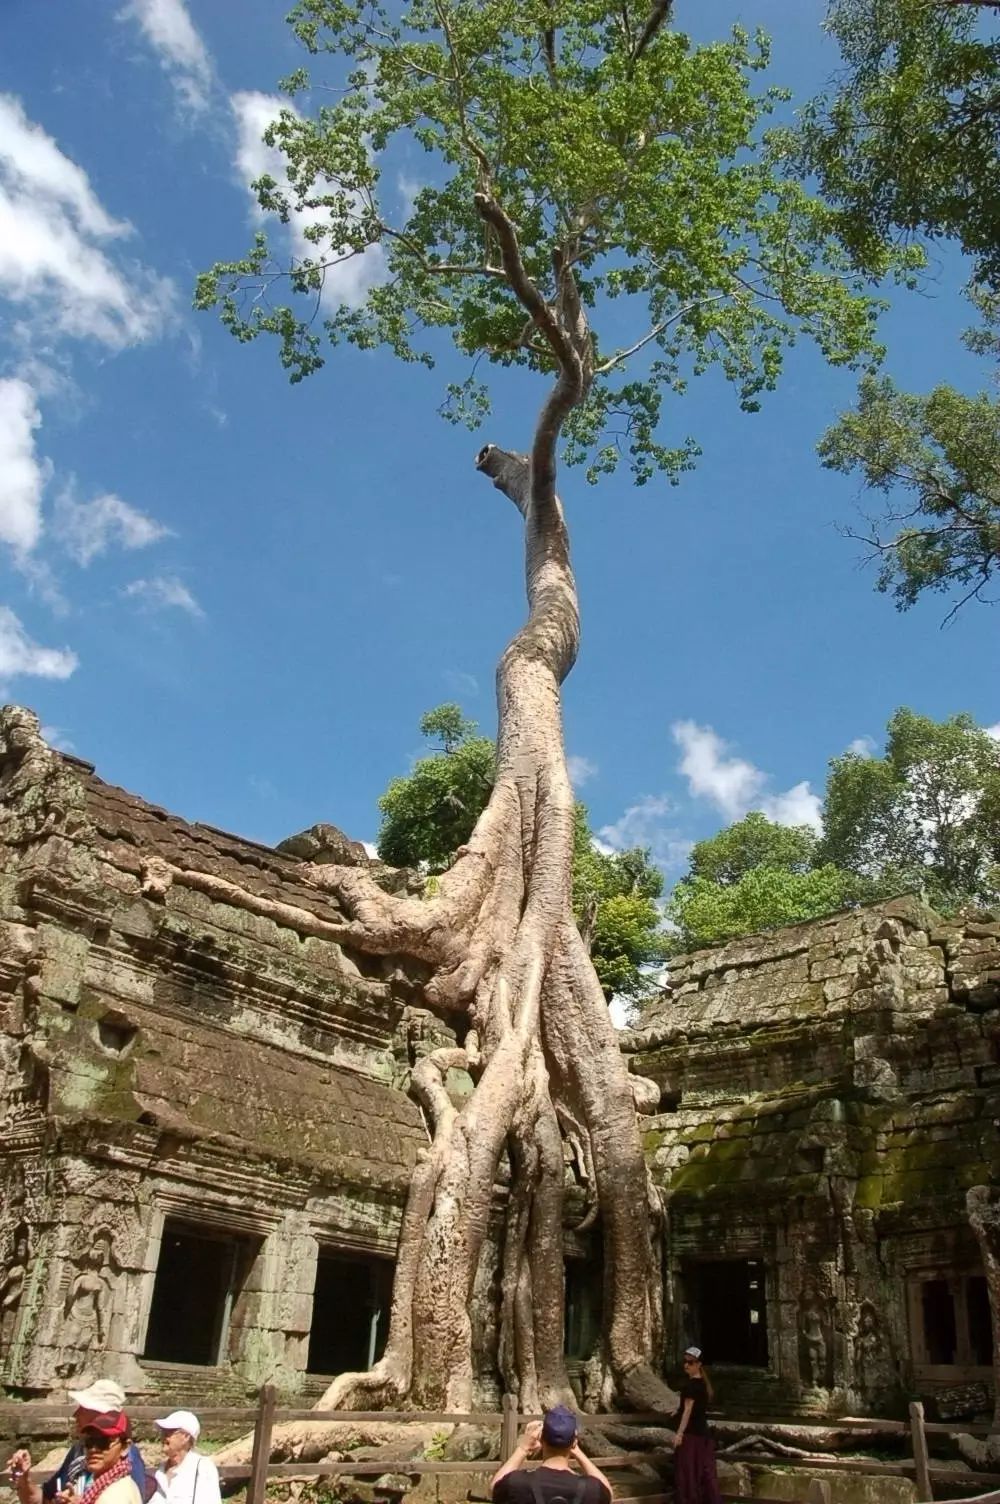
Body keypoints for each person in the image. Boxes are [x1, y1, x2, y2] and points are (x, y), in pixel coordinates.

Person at [6, 1380, 148, 1504]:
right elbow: (44, 1500)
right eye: (89, 1442)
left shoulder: (128, 1463)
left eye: (84, 1408)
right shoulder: (79, 1451)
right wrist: (23, 1479)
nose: (76, 1413)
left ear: (103, 1415)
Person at [492, 1405, 613, 1504]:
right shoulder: (591, 1490)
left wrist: (523, 1449)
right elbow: (608, 1494)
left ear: (541, 1438)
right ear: (574, 1442)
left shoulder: (518, 1483)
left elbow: (494, 1489)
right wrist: (576, 1450)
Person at [672, 1346, 721, 1504]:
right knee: (705, 1475)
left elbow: (688, 1411)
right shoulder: (703, 1385)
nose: (686, 1365)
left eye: (691, 1362)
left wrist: (679, 1434)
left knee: (689, 1477)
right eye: (685, 1362)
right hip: (703, 1436)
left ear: (699, 1364)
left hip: (692, 1437)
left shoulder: (691, 1386)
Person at [152, 1412, 220, 1504]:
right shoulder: (160, 1472)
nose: (164, 1436)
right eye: (163, 1431)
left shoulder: (202, 1468)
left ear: (186, 1437)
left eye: (169, 1432)